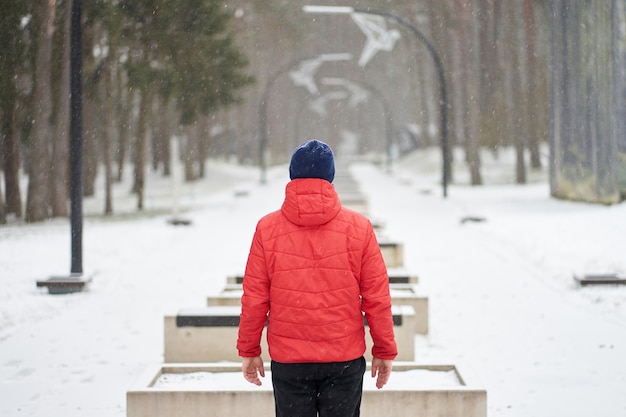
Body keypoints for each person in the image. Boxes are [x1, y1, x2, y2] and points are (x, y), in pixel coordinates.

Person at [237, 139, 397, 417]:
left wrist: (249, 349)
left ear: (292, 175)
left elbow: (254, 298)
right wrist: (383, 349)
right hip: (343, 358)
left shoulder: (267, 229)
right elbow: (377, 297)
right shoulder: (359, 228)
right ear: (330, 178)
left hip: (289, 360)